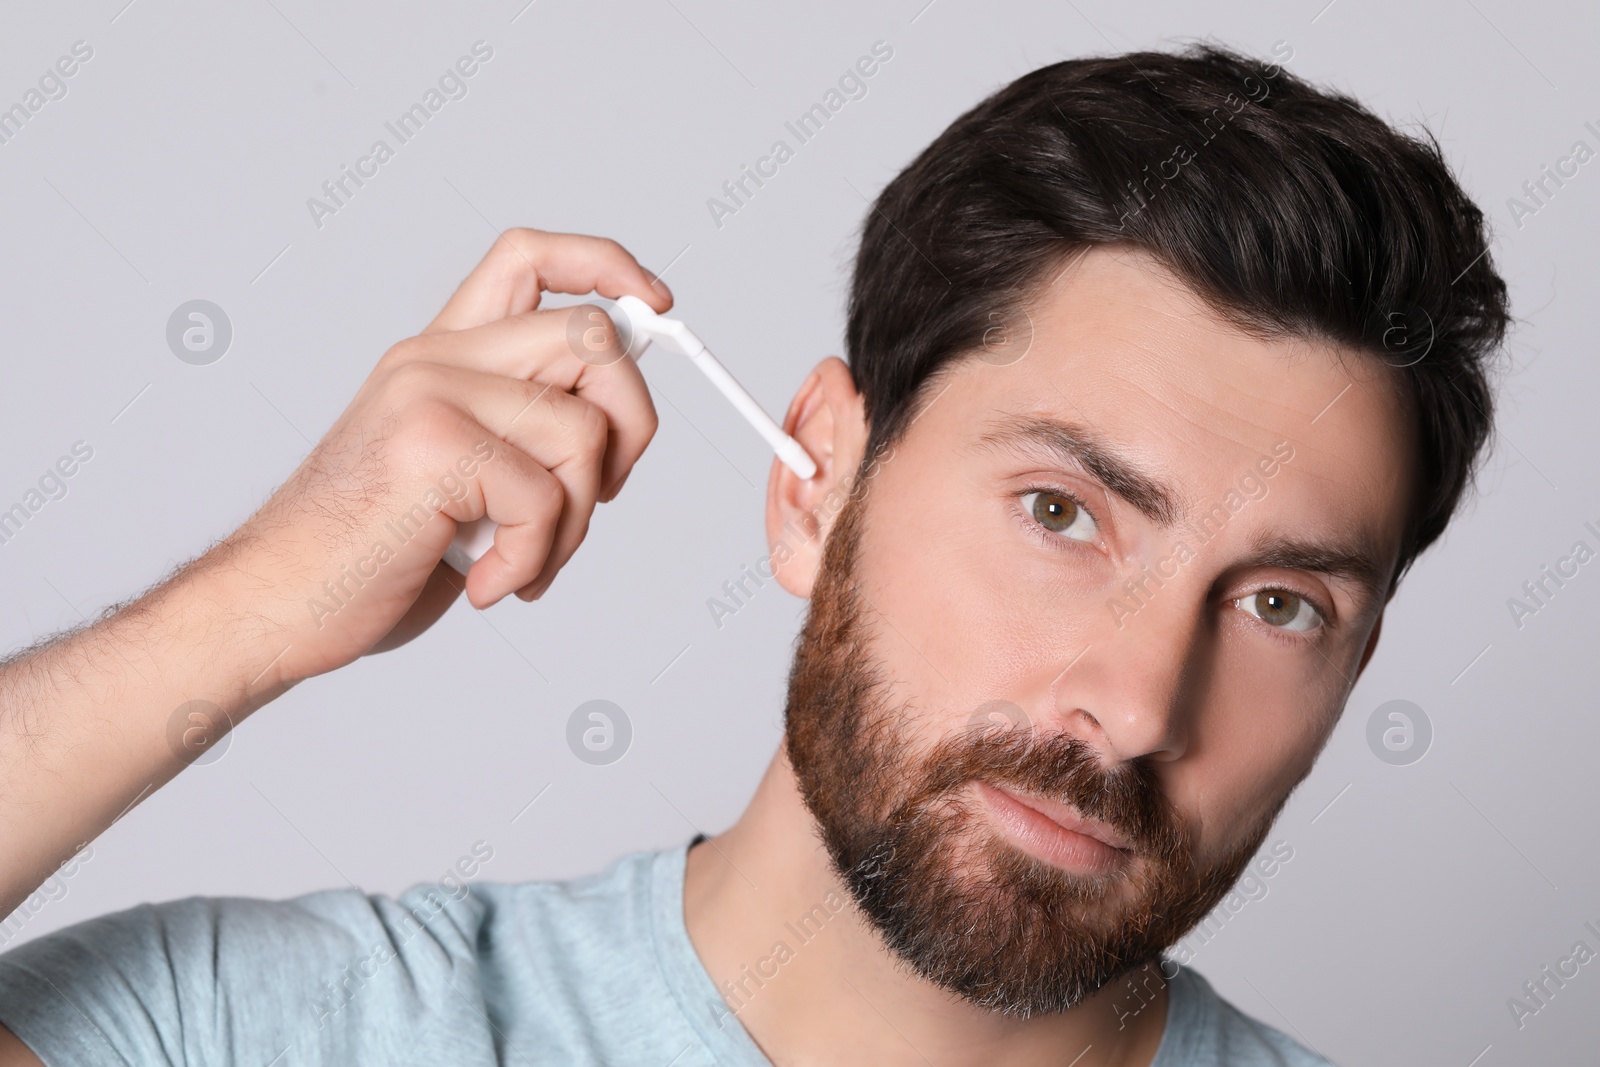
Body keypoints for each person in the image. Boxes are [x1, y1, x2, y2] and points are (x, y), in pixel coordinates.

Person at [0, 44, 1507, 1066]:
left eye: (1280, 604)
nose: (1133, 706)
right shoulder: (283, 1032)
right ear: (818, 484)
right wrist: (253, 607)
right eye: (1062, 511)